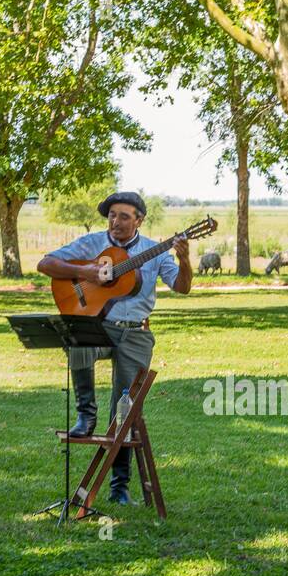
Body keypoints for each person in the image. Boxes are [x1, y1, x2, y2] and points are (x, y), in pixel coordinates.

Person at [36, 191, 192, 504]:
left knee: (124, 412)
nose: (116, 221)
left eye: (123, 216)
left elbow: (183, 287)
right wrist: (86, 272)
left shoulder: (155, 251)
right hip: (98, 326)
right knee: (76, 342)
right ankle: (85, 415)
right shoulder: (91, 243)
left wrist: (185, 258)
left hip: (135, 333)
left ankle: (119, 488)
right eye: (112, 215)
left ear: (139, 220)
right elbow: (46, 264)